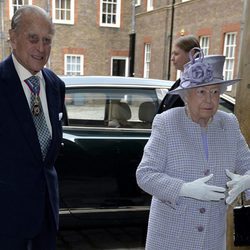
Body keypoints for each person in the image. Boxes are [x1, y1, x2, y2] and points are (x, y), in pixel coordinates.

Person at [136, 48, 250, 250]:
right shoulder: (167, 123)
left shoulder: (229, 123)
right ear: (186, 96)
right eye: (202, 92)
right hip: (170, 238)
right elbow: (145, 175)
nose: (209, 99)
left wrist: (247, 180)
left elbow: (247, 164)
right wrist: (184, 189)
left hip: (212, 239)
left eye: (215, 92)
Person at [0, 5, 65, 250]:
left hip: (46, 217)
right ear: (13, 37)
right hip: (5, 220)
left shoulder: (55, 85)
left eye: (47, 40)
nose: (41, 48)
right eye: (33, 38)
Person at [157, 35, 200, 113]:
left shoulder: (198, 85)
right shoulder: (180, 82)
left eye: (176, 54)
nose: (172, 58)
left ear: (192, 54)